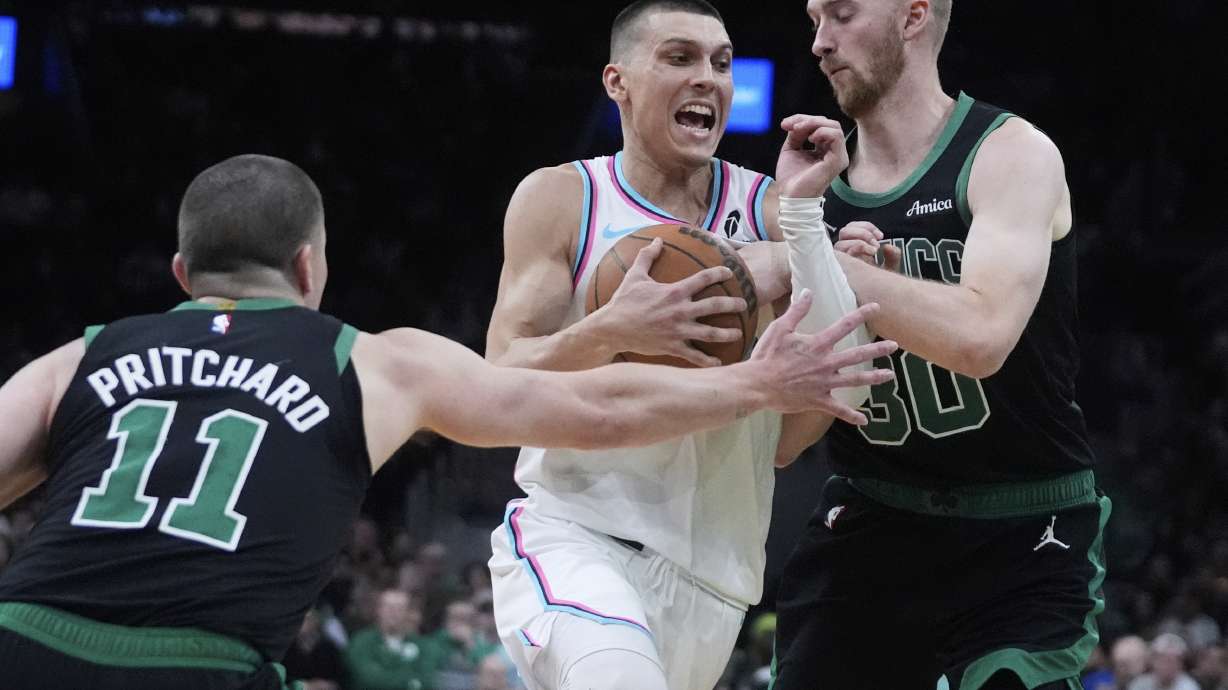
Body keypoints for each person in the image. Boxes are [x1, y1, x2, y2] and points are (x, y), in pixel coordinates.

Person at [0, 154, 891, 689]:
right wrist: (759, 384)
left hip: (24, 640)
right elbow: (592, 407)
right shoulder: (374, 360)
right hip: (198, 662)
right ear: (310, 270)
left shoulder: (86, 352)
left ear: (182, 273)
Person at [484, 1, 875, 688]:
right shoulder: (564, 198)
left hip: (716, 580)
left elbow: (792, 435)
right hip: (577, 540)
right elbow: (498, 384)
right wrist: (611, 329)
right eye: (679, 58)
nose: (707, 79)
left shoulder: (773, 207)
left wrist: (812, 236)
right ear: (618, 82)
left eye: (721, 64)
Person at [770, 1, 1109, 689]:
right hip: (873, 516)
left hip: (1020, 523)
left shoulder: (1010, 153)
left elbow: (981, 339)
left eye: (840, 15)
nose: (818, 42)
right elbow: (786, 440)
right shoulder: (809, 197)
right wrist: (808, 247)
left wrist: (833, 266)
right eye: (812, 20)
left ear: (914, 15)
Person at [1127, 634, 1201, 690]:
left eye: (1174, 661)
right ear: (1153, 661)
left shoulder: (1189, 687)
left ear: (1181, 665)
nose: (1169, 666)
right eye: (1164, 660)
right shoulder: (1139, 685)